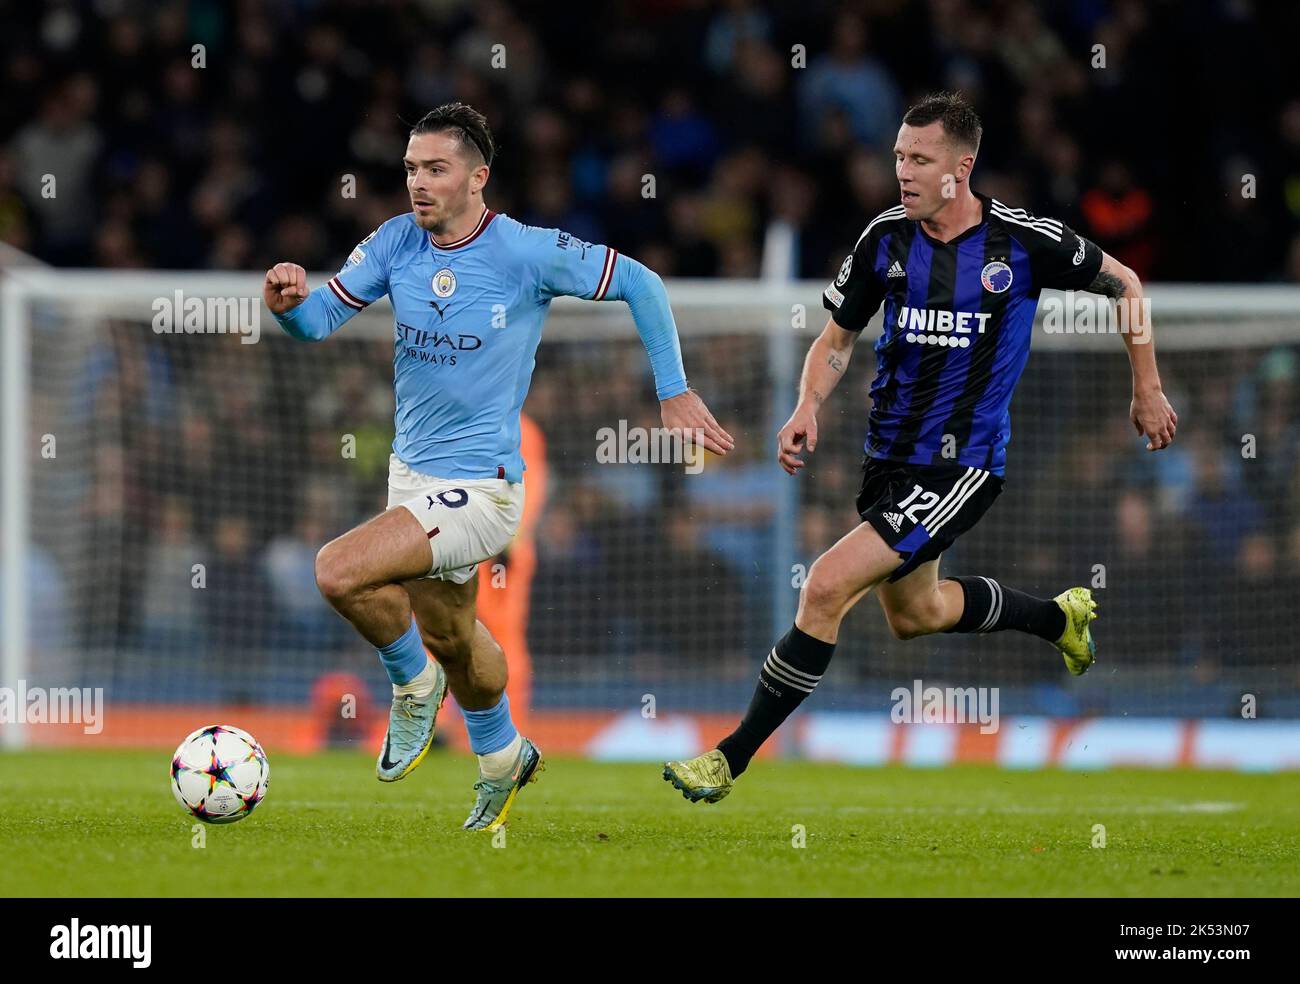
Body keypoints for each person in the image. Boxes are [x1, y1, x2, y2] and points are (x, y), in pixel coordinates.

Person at [664, 92, 1177, 804]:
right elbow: (837, 339)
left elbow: (1126, 283)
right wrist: (808, 403)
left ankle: (728, 758)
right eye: (899, 156)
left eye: (919, 158)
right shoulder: (885, 238)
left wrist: (1145, 388)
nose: (902, 170)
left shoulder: (1020, 241)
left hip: (963, 464)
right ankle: (1060, 618)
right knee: (917, 615)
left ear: (960, 168)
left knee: (823, 587)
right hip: (889, 459)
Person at [264, 103, 732, 831]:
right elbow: (317, 322)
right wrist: (287, 305)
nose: (418, 182)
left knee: (338, 570)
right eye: (412, 169)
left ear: (478, 178)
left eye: (436, 169)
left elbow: (642, 282)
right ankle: (503, 757)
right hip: (411, 476)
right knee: (454, 637)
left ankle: (412, 686)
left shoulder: (526, 252)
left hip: (482, 487)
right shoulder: (393, 242)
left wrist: (672, 391)